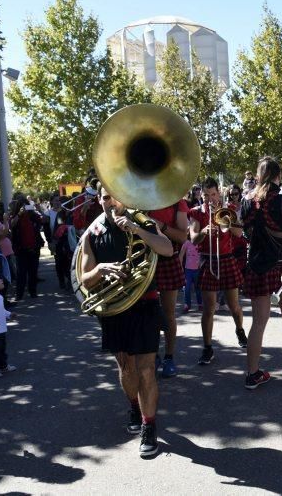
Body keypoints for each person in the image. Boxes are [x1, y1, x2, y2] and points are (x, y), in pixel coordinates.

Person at [79, 183, 173, 457]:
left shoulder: (143, 221)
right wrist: (99, 270)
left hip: (145, 305)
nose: (111, 202)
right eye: (106, 198)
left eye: (116, 197)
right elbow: (84, 278)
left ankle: (149, 425)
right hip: (114, 308)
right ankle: (134, 405)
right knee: (126, 369)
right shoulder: (92, 234)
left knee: (146, 369)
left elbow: (166, 248)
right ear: (99, 200)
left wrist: (137, 230)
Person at [240, 157, 282, 390]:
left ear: (257, 177)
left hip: (257, 265)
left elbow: (245, 234)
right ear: (278, 176)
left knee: (258, 322)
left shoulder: (246, 202)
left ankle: (252, 374)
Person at [189, 177, 246, 366]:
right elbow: (193, 238)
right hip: (207, 260)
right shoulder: (196, 213)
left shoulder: (227, 210)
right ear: (201, 195)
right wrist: (204, 231)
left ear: (218, 193)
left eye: (212, 194)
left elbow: (239, 234)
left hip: (227, 259)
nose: (209, 199)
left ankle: (239, 330)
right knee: (209, 308)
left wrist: (228, 221)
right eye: (205, 195)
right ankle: (207, 348)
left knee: (234, 305)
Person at [147, 197, 189, 378]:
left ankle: (169, 358)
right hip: (145, 260)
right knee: (146, 312)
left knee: (168, 313)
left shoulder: (176, 202)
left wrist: (160, 226)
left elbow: (182, 236)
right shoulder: (136, 197)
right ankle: (152, 355)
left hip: (168, 259)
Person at [179, 238, 202, 313]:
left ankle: (200, 304)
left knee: (198, 288)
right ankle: (187, 305)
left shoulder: (200, 243)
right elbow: (181, 255)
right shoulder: (187, 243)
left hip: (198, 270)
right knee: (187, 288)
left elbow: (204, 255)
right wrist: (180, 268)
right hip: (188, 270)